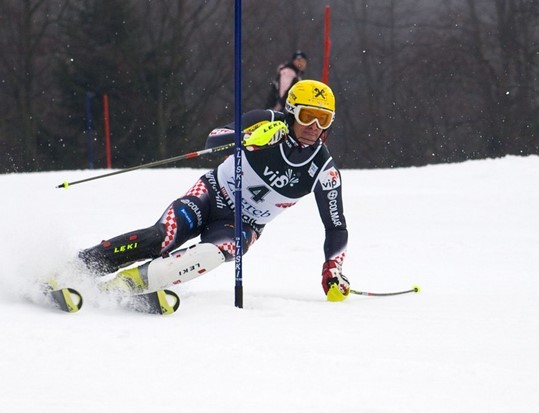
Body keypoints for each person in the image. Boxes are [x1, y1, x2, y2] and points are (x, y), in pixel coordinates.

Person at [77, 79, 350, 302]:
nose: (314, 127)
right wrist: (248, 139)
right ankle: (80, 266)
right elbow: (213, 139)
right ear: (291, 113)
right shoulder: (265, 119)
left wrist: (332, 268)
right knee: (163, 237)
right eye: (307, 116)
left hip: (242, 225)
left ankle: (128, 285)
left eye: (323, 120)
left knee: (212, 253)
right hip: (210, 195)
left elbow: (336, 227)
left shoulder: (324, 171)